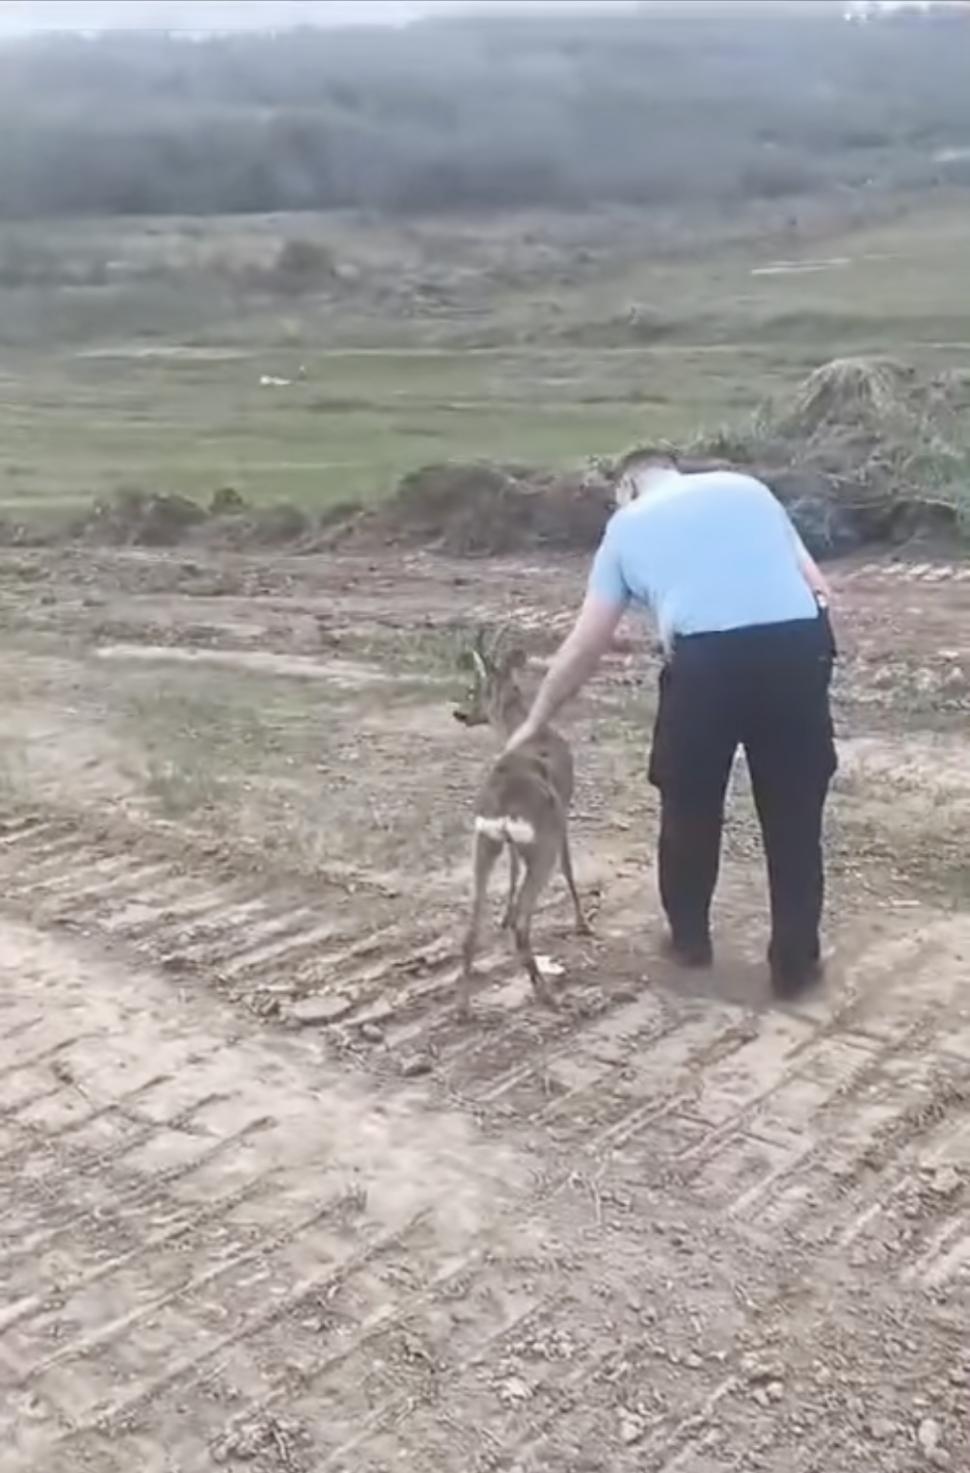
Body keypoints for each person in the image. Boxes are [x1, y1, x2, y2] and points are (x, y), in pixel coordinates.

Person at [503, 449, 837, 998]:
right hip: (798, 648)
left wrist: (536, 719)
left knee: (689, 802)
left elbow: (586, 644)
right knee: (795, 813)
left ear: (628, 488)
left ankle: (689, 941)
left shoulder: (625, 526)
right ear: (674, 471)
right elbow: (820, 588)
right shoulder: (748, 490)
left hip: (706, 663)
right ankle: (795, 966)